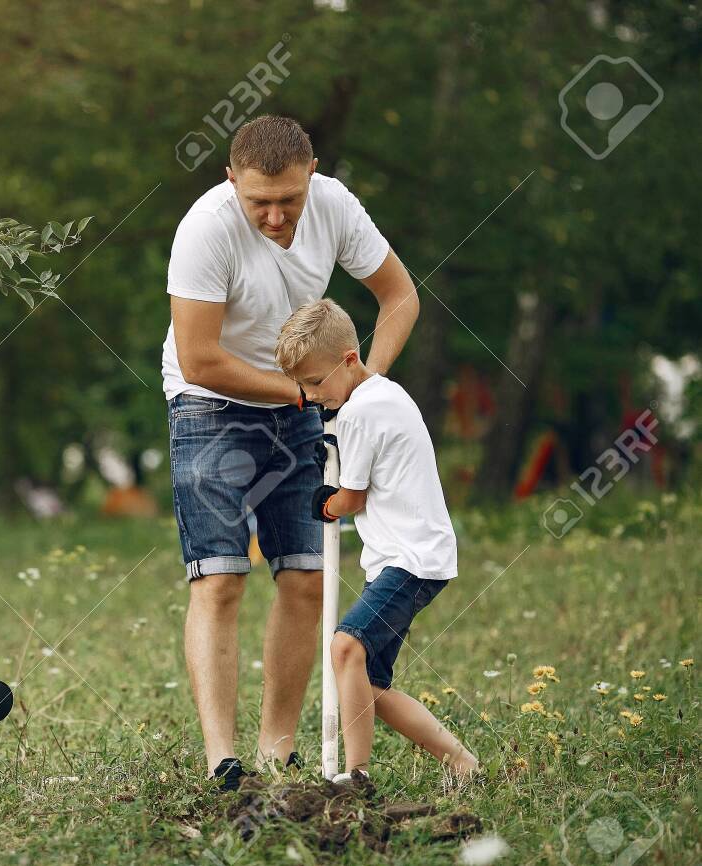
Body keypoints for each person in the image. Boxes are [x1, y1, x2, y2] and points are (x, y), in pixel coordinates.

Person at [163, 114, 420, 790]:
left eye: (289, 200)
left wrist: (362, 384)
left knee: (307, 578)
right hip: (209, 404)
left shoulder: (335, 205)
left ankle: (276, 751)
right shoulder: (205, 229)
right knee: (220, 578)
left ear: (313, 175)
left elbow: (399, 296)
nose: (275, 217)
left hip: (304, 403)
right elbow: (198, 358)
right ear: (231, 181)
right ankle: (224, 762)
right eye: (259, 202)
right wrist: (305, 393)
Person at [276, 298, 478, 784]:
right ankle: (463, 764)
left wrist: (325, 503)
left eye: (316, 382)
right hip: (410, 556)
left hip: (410, 559)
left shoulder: (360, 413)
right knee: (368, 685)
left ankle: (356, 776)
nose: (311, 396)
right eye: (302, 387)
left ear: (350, 359)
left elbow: (352, 497)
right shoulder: (386, 394)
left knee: (346, 646)